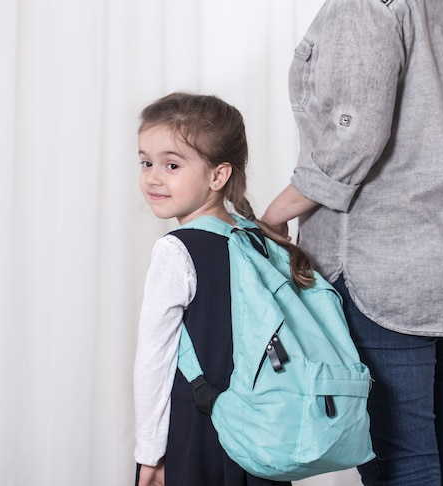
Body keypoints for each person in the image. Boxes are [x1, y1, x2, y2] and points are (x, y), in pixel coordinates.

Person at [261, 1, 443, 485]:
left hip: (381, 267)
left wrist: (274, 216)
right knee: (439, 457)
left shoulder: (366, 5)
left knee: (400, 462)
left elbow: (353, 131)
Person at [133, 92, 311, 486]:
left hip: (193, 433)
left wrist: (150, 453)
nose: (153, 177)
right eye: (146, 162)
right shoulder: (257, 239)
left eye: (172, 164)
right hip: (258, 431)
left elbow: (153, 362)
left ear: (218, 175)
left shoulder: (175, 251)